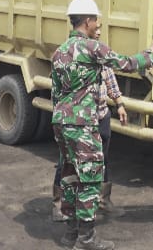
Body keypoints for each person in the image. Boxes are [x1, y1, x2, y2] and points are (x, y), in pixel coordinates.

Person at [52, 0, 153, 250]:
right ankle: (86, 240)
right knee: (90, 180)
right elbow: (127, 64)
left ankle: (70, 234)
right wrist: (151, 51)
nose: (98, 25)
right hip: (83, 125)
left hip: (61, 123)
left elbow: (56, 93)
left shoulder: (59, 52)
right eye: (96, 20)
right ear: (87, 21)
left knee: (70, 176)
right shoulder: (93, 48)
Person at [51, 66, 127, 222]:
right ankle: (59, 205)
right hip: (79, 120)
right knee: (67, 161)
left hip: (101, 116)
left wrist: (120, 105)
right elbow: (57, 92)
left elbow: (111, 84)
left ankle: (103, 201)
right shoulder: (71, 62)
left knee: (103, 160)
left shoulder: (103, 62)